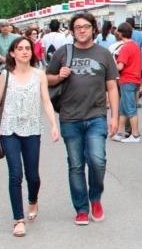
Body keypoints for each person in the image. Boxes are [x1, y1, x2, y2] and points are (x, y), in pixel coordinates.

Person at [46, 12, 120, 226]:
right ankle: (81, 208)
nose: (81, 30)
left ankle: (95, 198)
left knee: (97, 161)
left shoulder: (104, 54)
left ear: (93, 29)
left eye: (86, 26)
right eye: (77, 27)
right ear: (72, 30)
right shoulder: (63, 52)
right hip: (70, 117)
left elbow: (112, 87)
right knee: (76, 165)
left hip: (96, 116)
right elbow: (47, 79)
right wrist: (59, 75)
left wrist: (114, 116)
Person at [0, 37, 59, 237]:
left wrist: (53, 124)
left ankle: (33, 200)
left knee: (33, 176)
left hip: (32, 129)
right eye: (20, 49)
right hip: (9, 129)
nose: (25, 52)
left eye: (28, 48)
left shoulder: (39, 75)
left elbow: (46, 101)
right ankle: (18, 219)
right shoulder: (5, 75)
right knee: (15, 174)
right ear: (12, 53)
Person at [112, 22, 142, 143]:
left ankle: (135, 135)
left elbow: (120, 66)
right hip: (135, 79)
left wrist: (112, 63)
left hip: (127, 79)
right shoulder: (135, 45)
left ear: (120, 33)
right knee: (124, 108)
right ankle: (120, 132)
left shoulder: (125, 48)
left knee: (129, 108)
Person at [0, 19, 20, 84]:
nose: (5, 28)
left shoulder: (16, 37)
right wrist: (5, 59)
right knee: (2, 82)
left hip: (14, 62)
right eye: (2, 26)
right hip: (2, 63)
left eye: (6, 26)